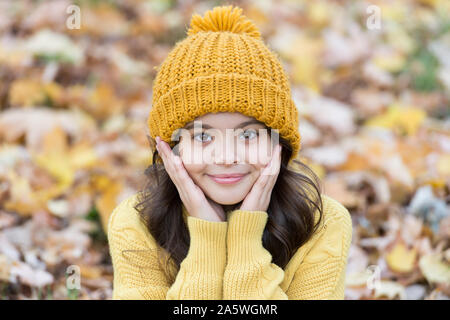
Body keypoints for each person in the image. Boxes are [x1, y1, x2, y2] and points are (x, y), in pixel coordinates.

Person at [107, 5, 352, 300]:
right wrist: (207, 240)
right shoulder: (135, 225)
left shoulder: (323, 224)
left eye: (248, 135)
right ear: (170, 147)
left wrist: (246, 240)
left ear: (280, 143)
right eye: (202, 136)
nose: (225, 156)